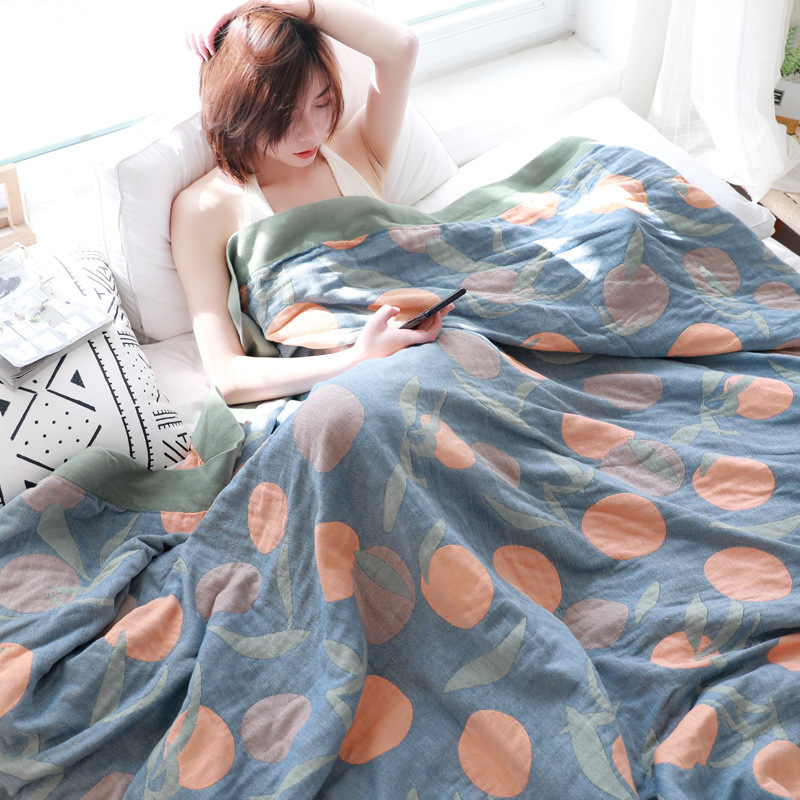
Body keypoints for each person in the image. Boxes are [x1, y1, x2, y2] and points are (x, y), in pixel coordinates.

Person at [172, 0, 452, 405]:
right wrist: (358, 358)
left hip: (438, 343)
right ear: (241, 112)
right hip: (348, 390)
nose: (311, 132)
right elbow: (227, 376)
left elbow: (401, 47)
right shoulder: (204, 208)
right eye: (285, 117)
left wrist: (277, 4)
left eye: (321, 103)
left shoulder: (358, 150)